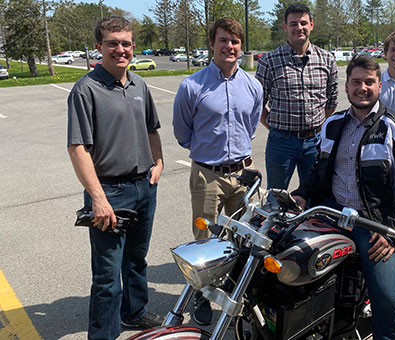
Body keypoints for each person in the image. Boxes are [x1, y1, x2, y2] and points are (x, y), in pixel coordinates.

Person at [292, 55, 395, 340]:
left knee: (389, 302)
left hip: (377, 224)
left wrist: (393, 233)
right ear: (346, 87)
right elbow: (320, 169)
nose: (362, 88)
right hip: (332, 212)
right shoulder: (332, 124)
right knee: (291, 261)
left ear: (380, 86)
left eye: (369, 82)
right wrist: (302, 195)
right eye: (356, 82)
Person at [67, 16, 164, 340]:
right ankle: (103, 335)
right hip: (109, 191)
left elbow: (152, 128)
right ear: (99, 47)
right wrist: (97, 198)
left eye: (125, 43)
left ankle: (134, 313)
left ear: (133, 47)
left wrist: (159, 163)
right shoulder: (86, 89)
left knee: (136, 259)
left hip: (143, 187)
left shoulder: (139, 85)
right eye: (112, 43)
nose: (120, 49)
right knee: (107, 275)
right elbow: (78, 148)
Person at [172, 18, 263, 326]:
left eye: (235, 41)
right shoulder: (192, 85)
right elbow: (182, 132)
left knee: (242, 238)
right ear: (212, 44)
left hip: (241, 177)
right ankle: (200, 291)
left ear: (240, 46)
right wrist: (207, 155)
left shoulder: (252, 85)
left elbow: (250, 125)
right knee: (204, 239)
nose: (229, 46)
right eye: (223, 40)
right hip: (207, 175)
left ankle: (235, 289)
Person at [256, 3, 338, 190]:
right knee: (276, 198)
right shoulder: (269, 61)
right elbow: (258, 103)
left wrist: (320, 127)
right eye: (293, 24)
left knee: (314, 196)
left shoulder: (326, 59)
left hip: (315, 142)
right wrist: (275, 128)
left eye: (303, 23)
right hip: (281, 143)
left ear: (311, 25)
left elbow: (332, 99)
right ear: (285, 27)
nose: (298, 28)